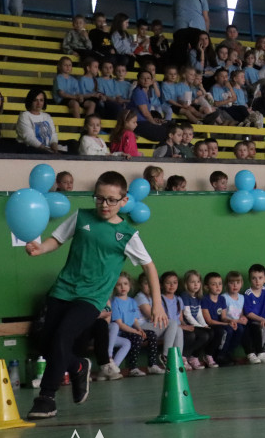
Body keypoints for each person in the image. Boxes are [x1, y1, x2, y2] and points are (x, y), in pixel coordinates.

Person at [24, 171, 166, 419]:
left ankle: (46, 397)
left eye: (111, 199)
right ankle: (79, 366)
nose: (104, 204)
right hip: (63, 289)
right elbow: (57, 239)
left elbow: (149, 267)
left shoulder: (126, 234)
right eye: (99, 198)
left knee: (62, 337)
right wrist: (41, 249)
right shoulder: (81, 217)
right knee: (46, 343)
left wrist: (157, 304)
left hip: (91, 299)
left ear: (123, 200)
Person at [110, 273, 162, 378]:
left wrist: (139, 329)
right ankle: (132, 368)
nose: (122, 287)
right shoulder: (114, 302)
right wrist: (136, 332)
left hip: (132, 330)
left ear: (130, 286)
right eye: (119, 284)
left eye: (125, 284)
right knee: (137, 337)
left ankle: (152, 365)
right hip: (122, 332)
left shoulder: (132, 301)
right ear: (115, 287)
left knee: (151, 334)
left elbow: (134, 320)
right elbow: (119, 324)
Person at [170, 0, 210, 66]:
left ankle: (180, 73)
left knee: (180, 54)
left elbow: (175, 15)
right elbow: (205, 17)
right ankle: (197, 74)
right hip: (197, 27)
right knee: (198, 52)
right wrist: (206, 34)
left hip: (180, 28)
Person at [180, 270, 211, 369]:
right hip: (187, 325)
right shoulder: (185, 295)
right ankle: (185, 355)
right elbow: (187, 314)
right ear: (186, 284)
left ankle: (194, 357)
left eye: (198, 282)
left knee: (210, 333)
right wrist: (199, 326)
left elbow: (199, 314)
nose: (196, 284)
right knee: (203, 335)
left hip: (195, 325)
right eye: (192, 282)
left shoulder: (198, 297)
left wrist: (204, 325)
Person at [16, 88, 59, 155]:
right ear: (30, 101)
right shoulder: (24, 116)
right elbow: (29, 138)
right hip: (30, 150)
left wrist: (54, 147)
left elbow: (53, 134)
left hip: (47, 149)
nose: (39, 103)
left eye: (41, 100)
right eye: (35, 100)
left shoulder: (47, 116)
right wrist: (47, 150)